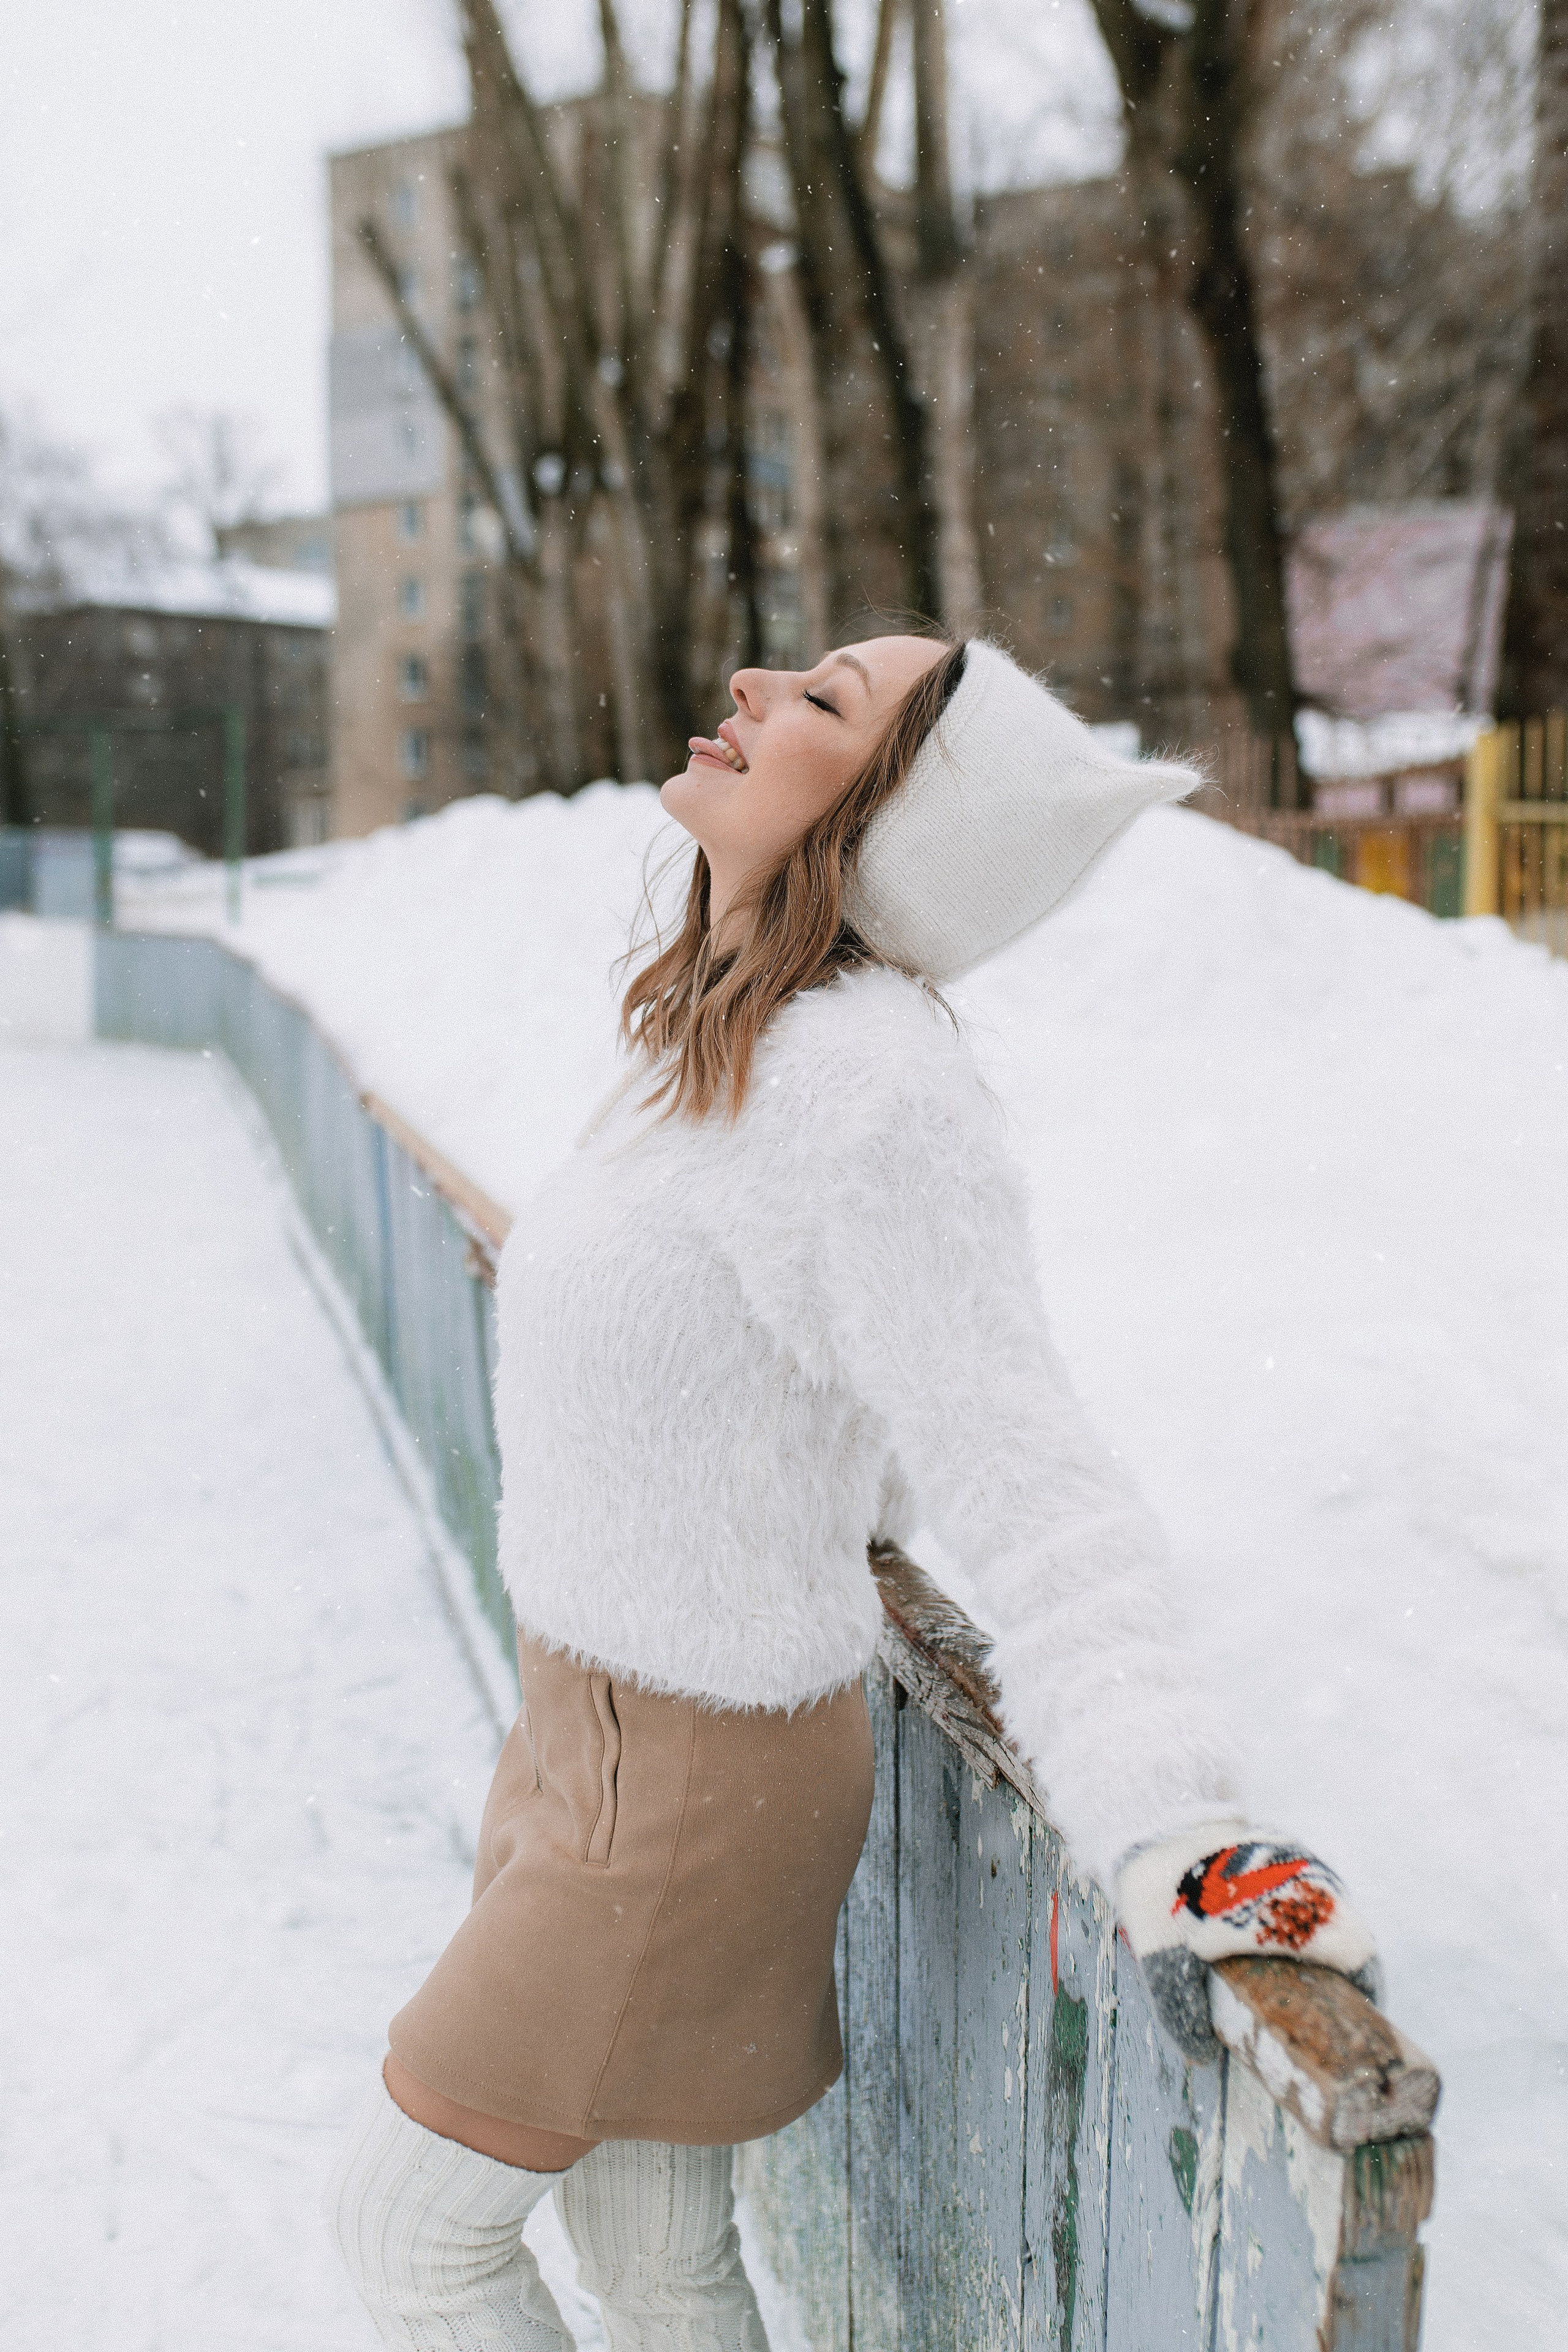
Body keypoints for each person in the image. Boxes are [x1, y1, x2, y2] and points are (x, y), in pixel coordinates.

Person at [324, 634, 1377, 2351]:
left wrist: (1172, 1809)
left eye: (822, 702)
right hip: (589, 1732)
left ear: (889, 825)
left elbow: (1028, 1467)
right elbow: (805, 1368)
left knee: (408, 2234)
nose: (748, 684)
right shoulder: (728, 1034)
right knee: (652, 2248)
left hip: (685, 1787)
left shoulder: (866, 1090)